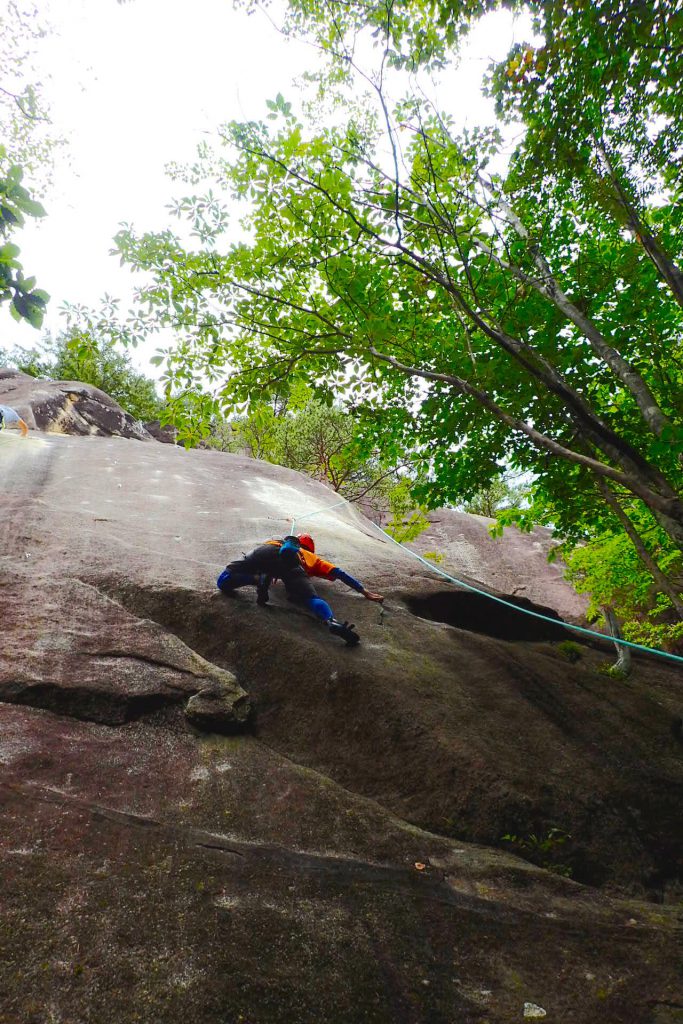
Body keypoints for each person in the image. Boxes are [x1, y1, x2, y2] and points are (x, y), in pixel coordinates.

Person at [217, 534, 384, 646]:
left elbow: (269, 557)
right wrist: (364, 592)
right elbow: (339, 573)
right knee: (311, 598)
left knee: (224, 581)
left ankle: (256, 578)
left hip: (264, 553)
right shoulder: (312, 558)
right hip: (294, 567)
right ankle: (331, 621)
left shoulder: (277, 542)